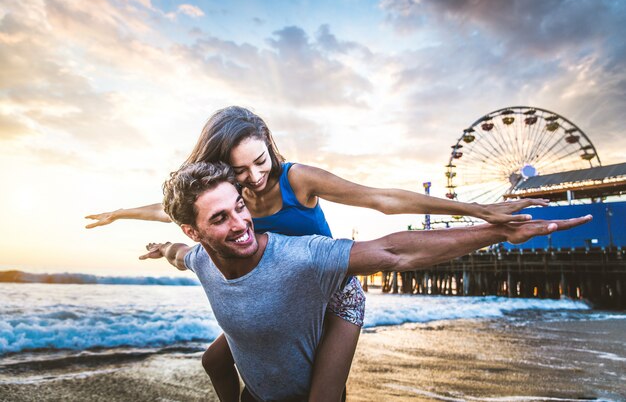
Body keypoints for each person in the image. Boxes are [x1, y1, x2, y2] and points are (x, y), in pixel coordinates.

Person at [85, 106, 548, 401]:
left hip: (332, 293)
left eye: (261, 160)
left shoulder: (297, 178)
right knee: (214, 360)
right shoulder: (229, 198)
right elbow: (174, 211)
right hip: (286, 294)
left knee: (321, 395)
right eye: (239, 170)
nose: (255, 177)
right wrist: (120, 213)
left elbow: (381, 200)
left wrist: (480, 211)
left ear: (270, 145)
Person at [140, 161, 590, 402]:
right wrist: (163, 250)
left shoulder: (300, 257)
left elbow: (395, 250)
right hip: (257, 393)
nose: (241, 223)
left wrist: (497, 231)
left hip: (315, 366)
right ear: (193, 231)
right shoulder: (199, 258)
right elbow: (179, 256)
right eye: (220, 218)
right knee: (214, 360)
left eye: (240, 206)